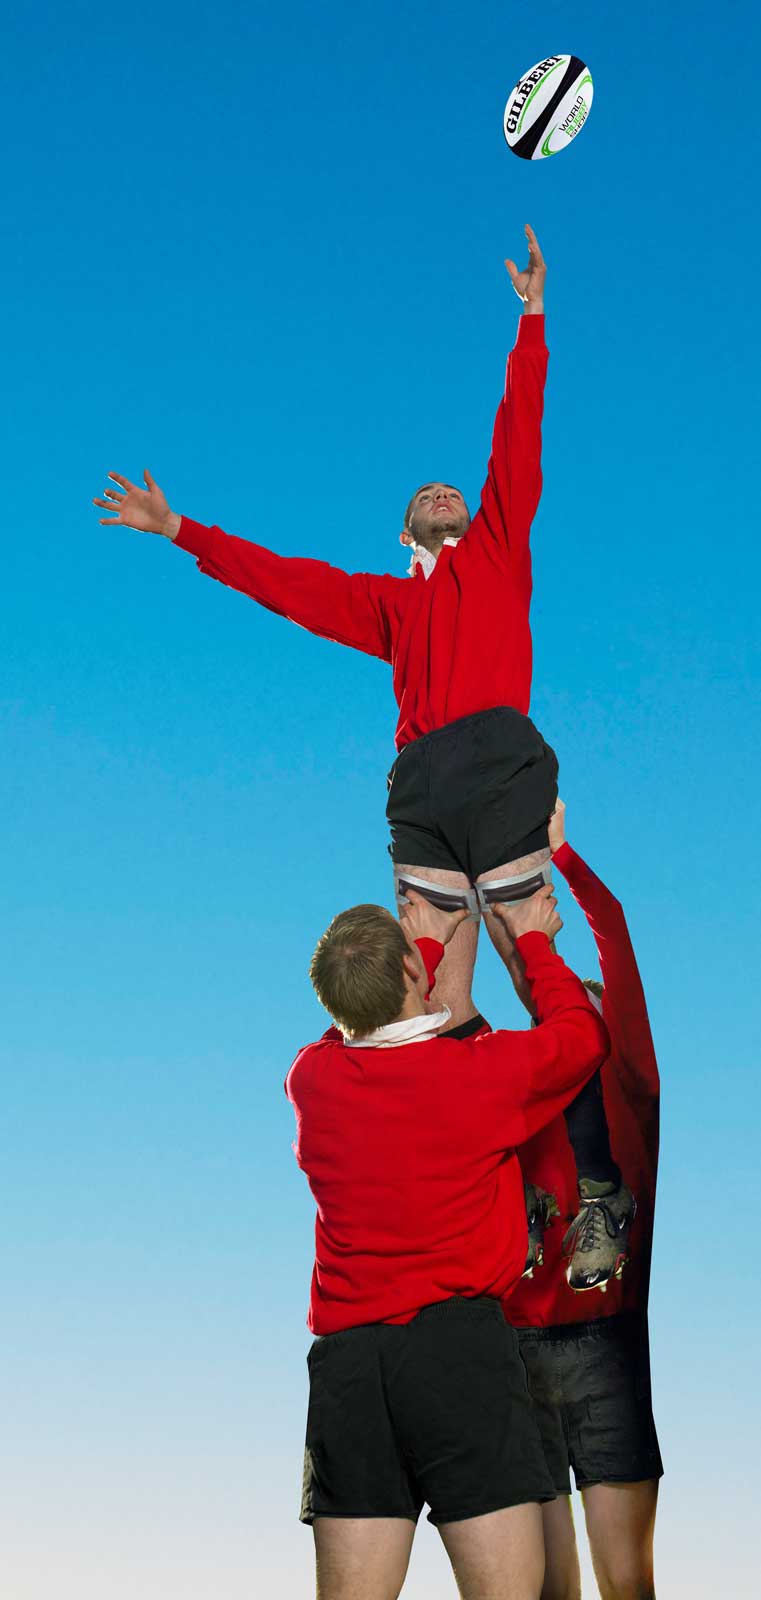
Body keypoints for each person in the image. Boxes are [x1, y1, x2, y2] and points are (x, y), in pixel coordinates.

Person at [93, 224, 556, 1032]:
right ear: (404, 533)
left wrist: (531, 317)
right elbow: (288, 585)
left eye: (454, 489)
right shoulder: (387, 602)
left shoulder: (496, 553)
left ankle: (580, 1155)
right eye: (427, 495)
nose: (445, 493)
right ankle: (463, 1138)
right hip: (417, 780)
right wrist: (178, 531)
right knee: (431, 996)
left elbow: (516, 433)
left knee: (530, 959)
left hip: (495, 757)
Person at [286, 883, 609, 1600]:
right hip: (454, 1354)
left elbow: (359, 1026)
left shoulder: (312, 1079)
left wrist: (417, 950)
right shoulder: (477, 1076)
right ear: (408, 972)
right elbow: (582, 1037)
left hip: (346, 1371)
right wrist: (533, 939)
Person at [487, 801, 662, 1600]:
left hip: (605, 1344)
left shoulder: (629, 1082)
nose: (571, 996)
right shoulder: (515, 1079)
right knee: (549, 1588)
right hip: (518, 1345)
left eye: (585, 995)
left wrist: (562, 857)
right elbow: (522, 992)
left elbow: (614, 937)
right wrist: (499, 902)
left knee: (625, 1581)